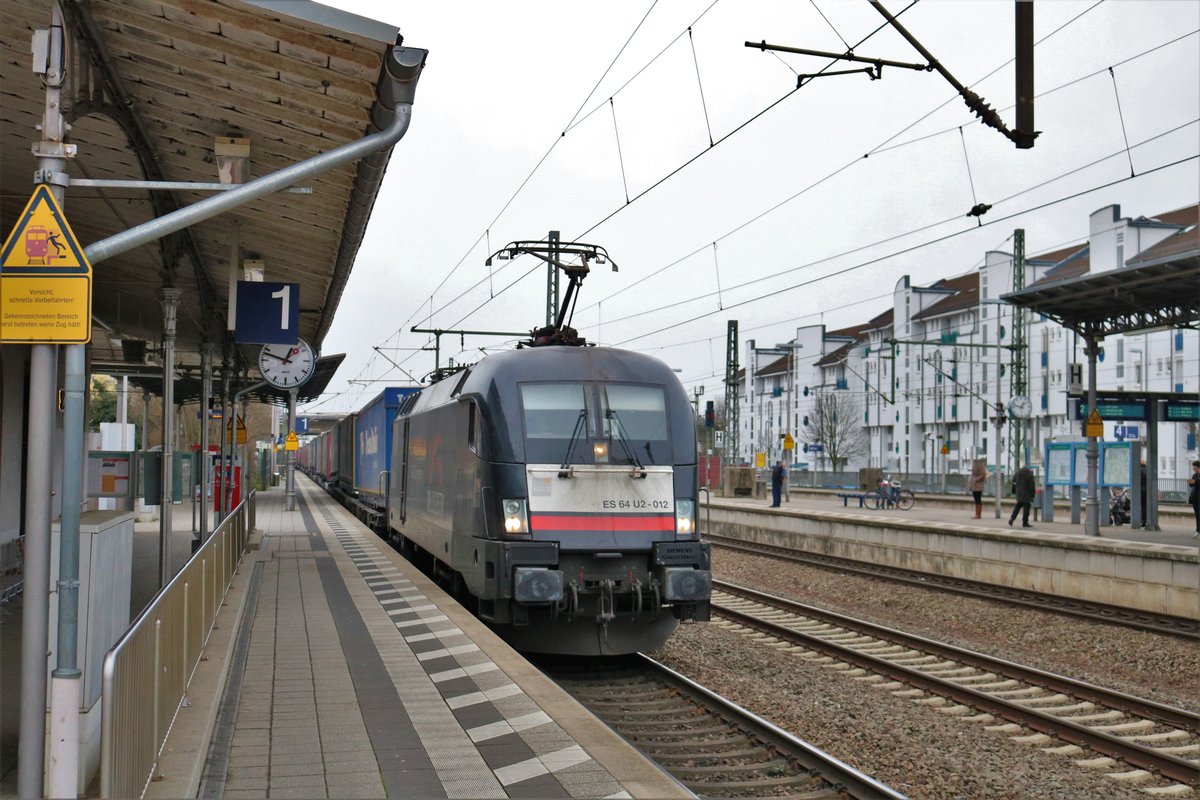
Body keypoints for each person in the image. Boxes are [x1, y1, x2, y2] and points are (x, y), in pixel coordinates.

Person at [1188, 460, 1199, 538]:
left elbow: (1197, 483)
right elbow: (1193, 485)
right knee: (1197, 515)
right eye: (1194, 469)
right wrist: (1190, 483)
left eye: (1195, 469)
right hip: (1195, 498)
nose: (1194, 470)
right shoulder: (1195, 475)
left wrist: (1195, 482)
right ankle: (1197, 530)